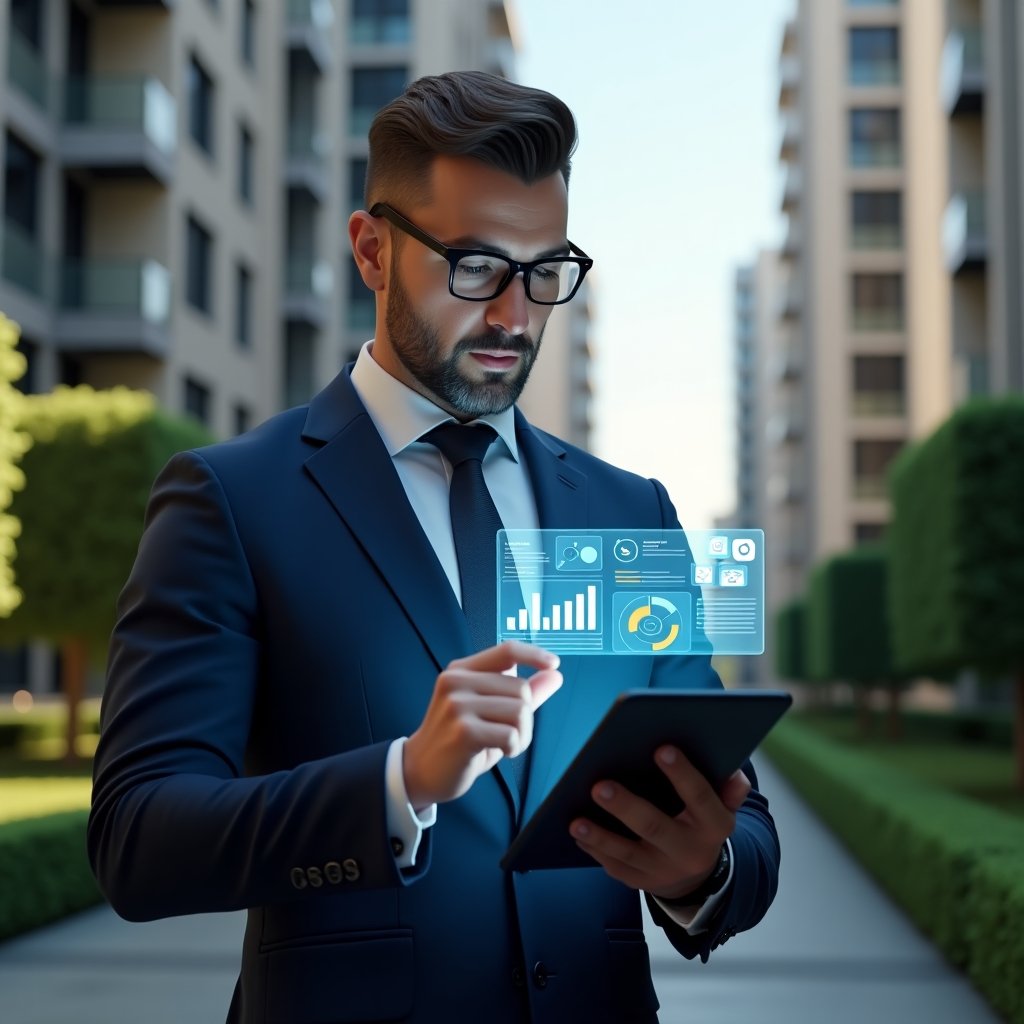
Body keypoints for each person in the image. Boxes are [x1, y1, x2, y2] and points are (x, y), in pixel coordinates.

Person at [88, 71, 779, 1024]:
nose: (514, 316)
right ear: (372, 251)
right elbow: (138, 839)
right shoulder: (232, 500)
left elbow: (743, 816)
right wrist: (401, 779)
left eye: (544, 273)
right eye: (474, 266)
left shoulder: (631, 512)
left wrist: (706, 867)